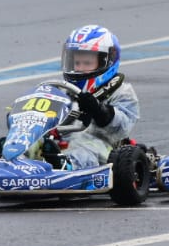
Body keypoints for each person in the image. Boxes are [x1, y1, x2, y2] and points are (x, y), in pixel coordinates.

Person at [58, 24, 140, 169]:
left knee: (84, 152)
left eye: (87, 63)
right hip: (63, 141)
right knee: (32, 143)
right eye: (77, 63)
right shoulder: (63, 91)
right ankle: (18, 163)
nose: (80, 68)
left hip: (102, 145)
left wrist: (99, 110)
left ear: (106, 62)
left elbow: (123, 127)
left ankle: (66, 168)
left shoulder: (122, 92)